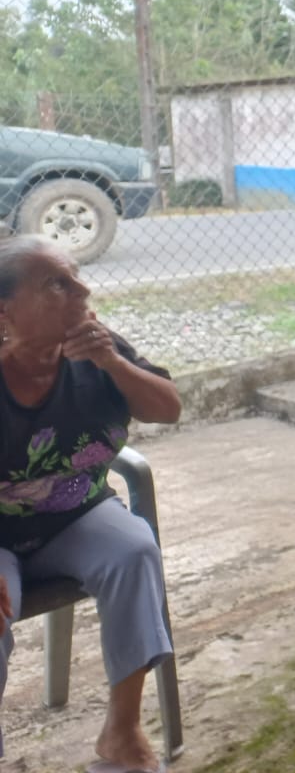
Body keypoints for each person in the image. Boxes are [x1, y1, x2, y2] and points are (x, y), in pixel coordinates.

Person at [0, 235, 182, 770]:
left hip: (73, 516)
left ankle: (122, 733)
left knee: (133, 551)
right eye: (57, 283)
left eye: (77, 276)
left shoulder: (97, 348)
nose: (83, 291)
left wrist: (112, 363)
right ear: (4, 311)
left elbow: (167, 409)